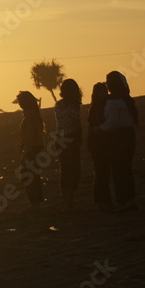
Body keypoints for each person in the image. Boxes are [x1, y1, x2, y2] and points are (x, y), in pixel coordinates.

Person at [100, 71, 138, 211]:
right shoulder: (127, 100)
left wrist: (99, 128)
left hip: (117, 137)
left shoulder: (112, 102)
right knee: (126, 168)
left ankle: (123, 200)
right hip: (129, 136)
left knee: (118, 169)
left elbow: (112, 122)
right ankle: (131, 199)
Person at [54, 79, 83, 210]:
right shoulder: (70, 106)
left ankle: (68, 200)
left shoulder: (61, 105)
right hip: (68, 137)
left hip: (62, 138)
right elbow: (75, 121)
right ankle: (68, 201)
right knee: (69, 169)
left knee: (66, 169)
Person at [15, 91, 45, 210]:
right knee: (33, 175)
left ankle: (34, 202)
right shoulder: (33, 114)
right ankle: (36, 201)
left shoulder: (30, 115)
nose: (20, 104)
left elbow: (30, 135)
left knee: (28, 175)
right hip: (35, 147)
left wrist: (26, 151)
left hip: (31, 148)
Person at [87, 82, 112, 211]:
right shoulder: (98, 107)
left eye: (105, 91)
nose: (105, 94)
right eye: (102, 92)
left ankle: (101, 201)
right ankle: (103, 202)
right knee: (102, 173)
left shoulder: (99, 106)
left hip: (101, 143)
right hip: (98, 144)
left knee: (102, 173)